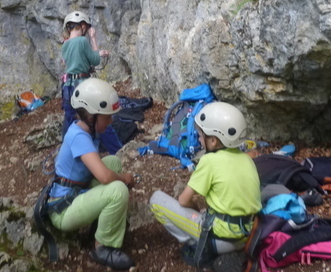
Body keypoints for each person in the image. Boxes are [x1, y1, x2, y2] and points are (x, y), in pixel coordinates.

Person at [150, 101, 261, 270]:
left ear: (213, 140)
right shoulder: (247, 159)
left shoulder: (209, 161)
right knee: (207, 212)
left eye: (201, 135)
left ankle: (199, 248)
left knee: (156, 200)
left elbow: (183, 200)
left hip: (220, 239)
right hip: (247, 236)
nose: (199, 139)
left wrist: (194, 208)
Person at [48, 77, 136, 270]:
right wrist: (124, 178)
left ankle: (102, 223)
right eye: (106, 117)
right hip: (63, 210)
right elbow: (104, 177)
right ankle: (103, 247)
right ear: (91, 116)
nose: (110, 121)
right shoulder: (79, 137)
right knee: (118, 190)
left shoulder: (85, 131)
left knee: (113, 162)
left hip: (75, 193)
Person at [61, 11, 122, 154]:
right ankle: (118, 150)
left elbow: (70, 62)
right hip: (82, 85)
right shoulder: (82, 41)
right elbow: (95, 60)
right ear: (82, 26)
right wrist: (93, 39)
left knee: (70, 120)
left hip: (67, 87)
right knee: (98, 116)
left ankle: (68, 151)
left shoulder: (65, 45)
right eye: (86, 28)